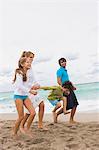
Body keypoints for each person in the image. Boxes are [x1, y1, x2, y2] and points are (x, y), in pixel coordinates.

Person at [19, 51, 45, 131]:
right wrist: (31, 87)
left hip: (33, 91)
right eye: (30, 57)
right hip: (27, 92)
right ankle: (22, 126)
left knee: (42, 105)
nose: (31, 59)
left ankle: (40, 124)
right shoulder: (22, 69)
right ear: (25, 57)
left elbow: (33, 79)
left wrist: (37, 84)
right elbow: (22, 84)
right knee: (29, 112)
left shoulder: (31, 67)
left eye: (32, 58)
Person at [13, 57, 36, 138]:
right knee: (21, 117)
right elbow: (20, 86)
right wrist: (30, 91)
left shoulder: (28, 73)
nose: (29, 63)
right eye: (27, 62)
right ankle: (15, 133)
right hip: (18, 96)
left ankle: (27, 129)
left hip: (25, 96)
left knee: (33, 113)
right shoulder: (19, 72)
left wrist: (34, 86)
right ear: (22, 64)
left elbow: (28, 84)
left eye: (30, 62)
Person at [55, 57, 79, 124]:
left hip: (70, 88)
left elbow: (67, 80)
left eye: (64, 61)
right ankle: (56, 114)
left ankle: (71, 120)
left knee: (75, 104)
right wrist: (63, 89)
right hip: (65, 89)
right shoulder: (59, 71)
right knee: (68, 106)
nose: (63, 63)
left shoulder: (65, 70)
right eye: (62, 62)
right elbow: (59, 81)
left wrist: (73, 86)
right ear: (60, 64)